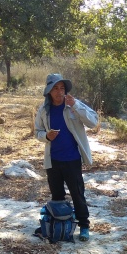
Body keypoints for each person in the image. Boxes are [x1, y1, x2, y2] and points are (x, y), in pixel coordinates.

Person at [35, 73, 98, 242]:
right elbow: (37, 132)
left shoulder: (73, 105)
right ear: (49, 91)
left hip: (72, 159)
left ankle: (84, 226)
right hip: (53, 160)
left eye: (62, 88)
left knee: (78, 194)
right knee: (57, 196)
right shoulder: (44, 110)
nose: (59, 92)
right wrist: (46, 136)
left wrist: (76, 105)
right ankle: (59, 224)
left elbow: (93, 122)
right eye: (55, 88)